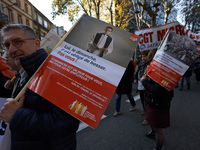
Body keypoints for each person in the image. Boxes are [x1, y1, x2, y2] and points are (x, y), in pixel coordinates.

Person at [0, 24, 79, 150]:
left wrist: (17, 116)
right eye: (7, 45)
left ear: (37, 44)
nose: (11, 50)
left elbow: (66, 123)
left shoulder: (56, 73)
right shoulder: (21, 74)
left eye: (18, 42)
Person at [141, 75, 174, 150]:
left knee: (158, 130)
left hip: (157, 105)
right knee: (153, 123)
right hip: (158, 103)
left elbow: (157, 90)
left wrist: (144, 81)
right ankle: (153, 132)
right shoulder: (165, 73)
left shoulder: (161, 74)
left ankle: (157, 148)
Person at [134, 50, 149, 125]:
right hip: (140, 83)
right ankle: (144, 109)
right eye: (142, 56)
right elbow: (137, 72)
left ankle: (148, 117)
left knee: (147, 100)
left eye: (145, 56)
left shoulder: (150, 64)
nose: (143, 58)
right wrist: (135, 78)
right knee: (142, 98)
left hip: (147, 85)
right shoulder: (141, 63)